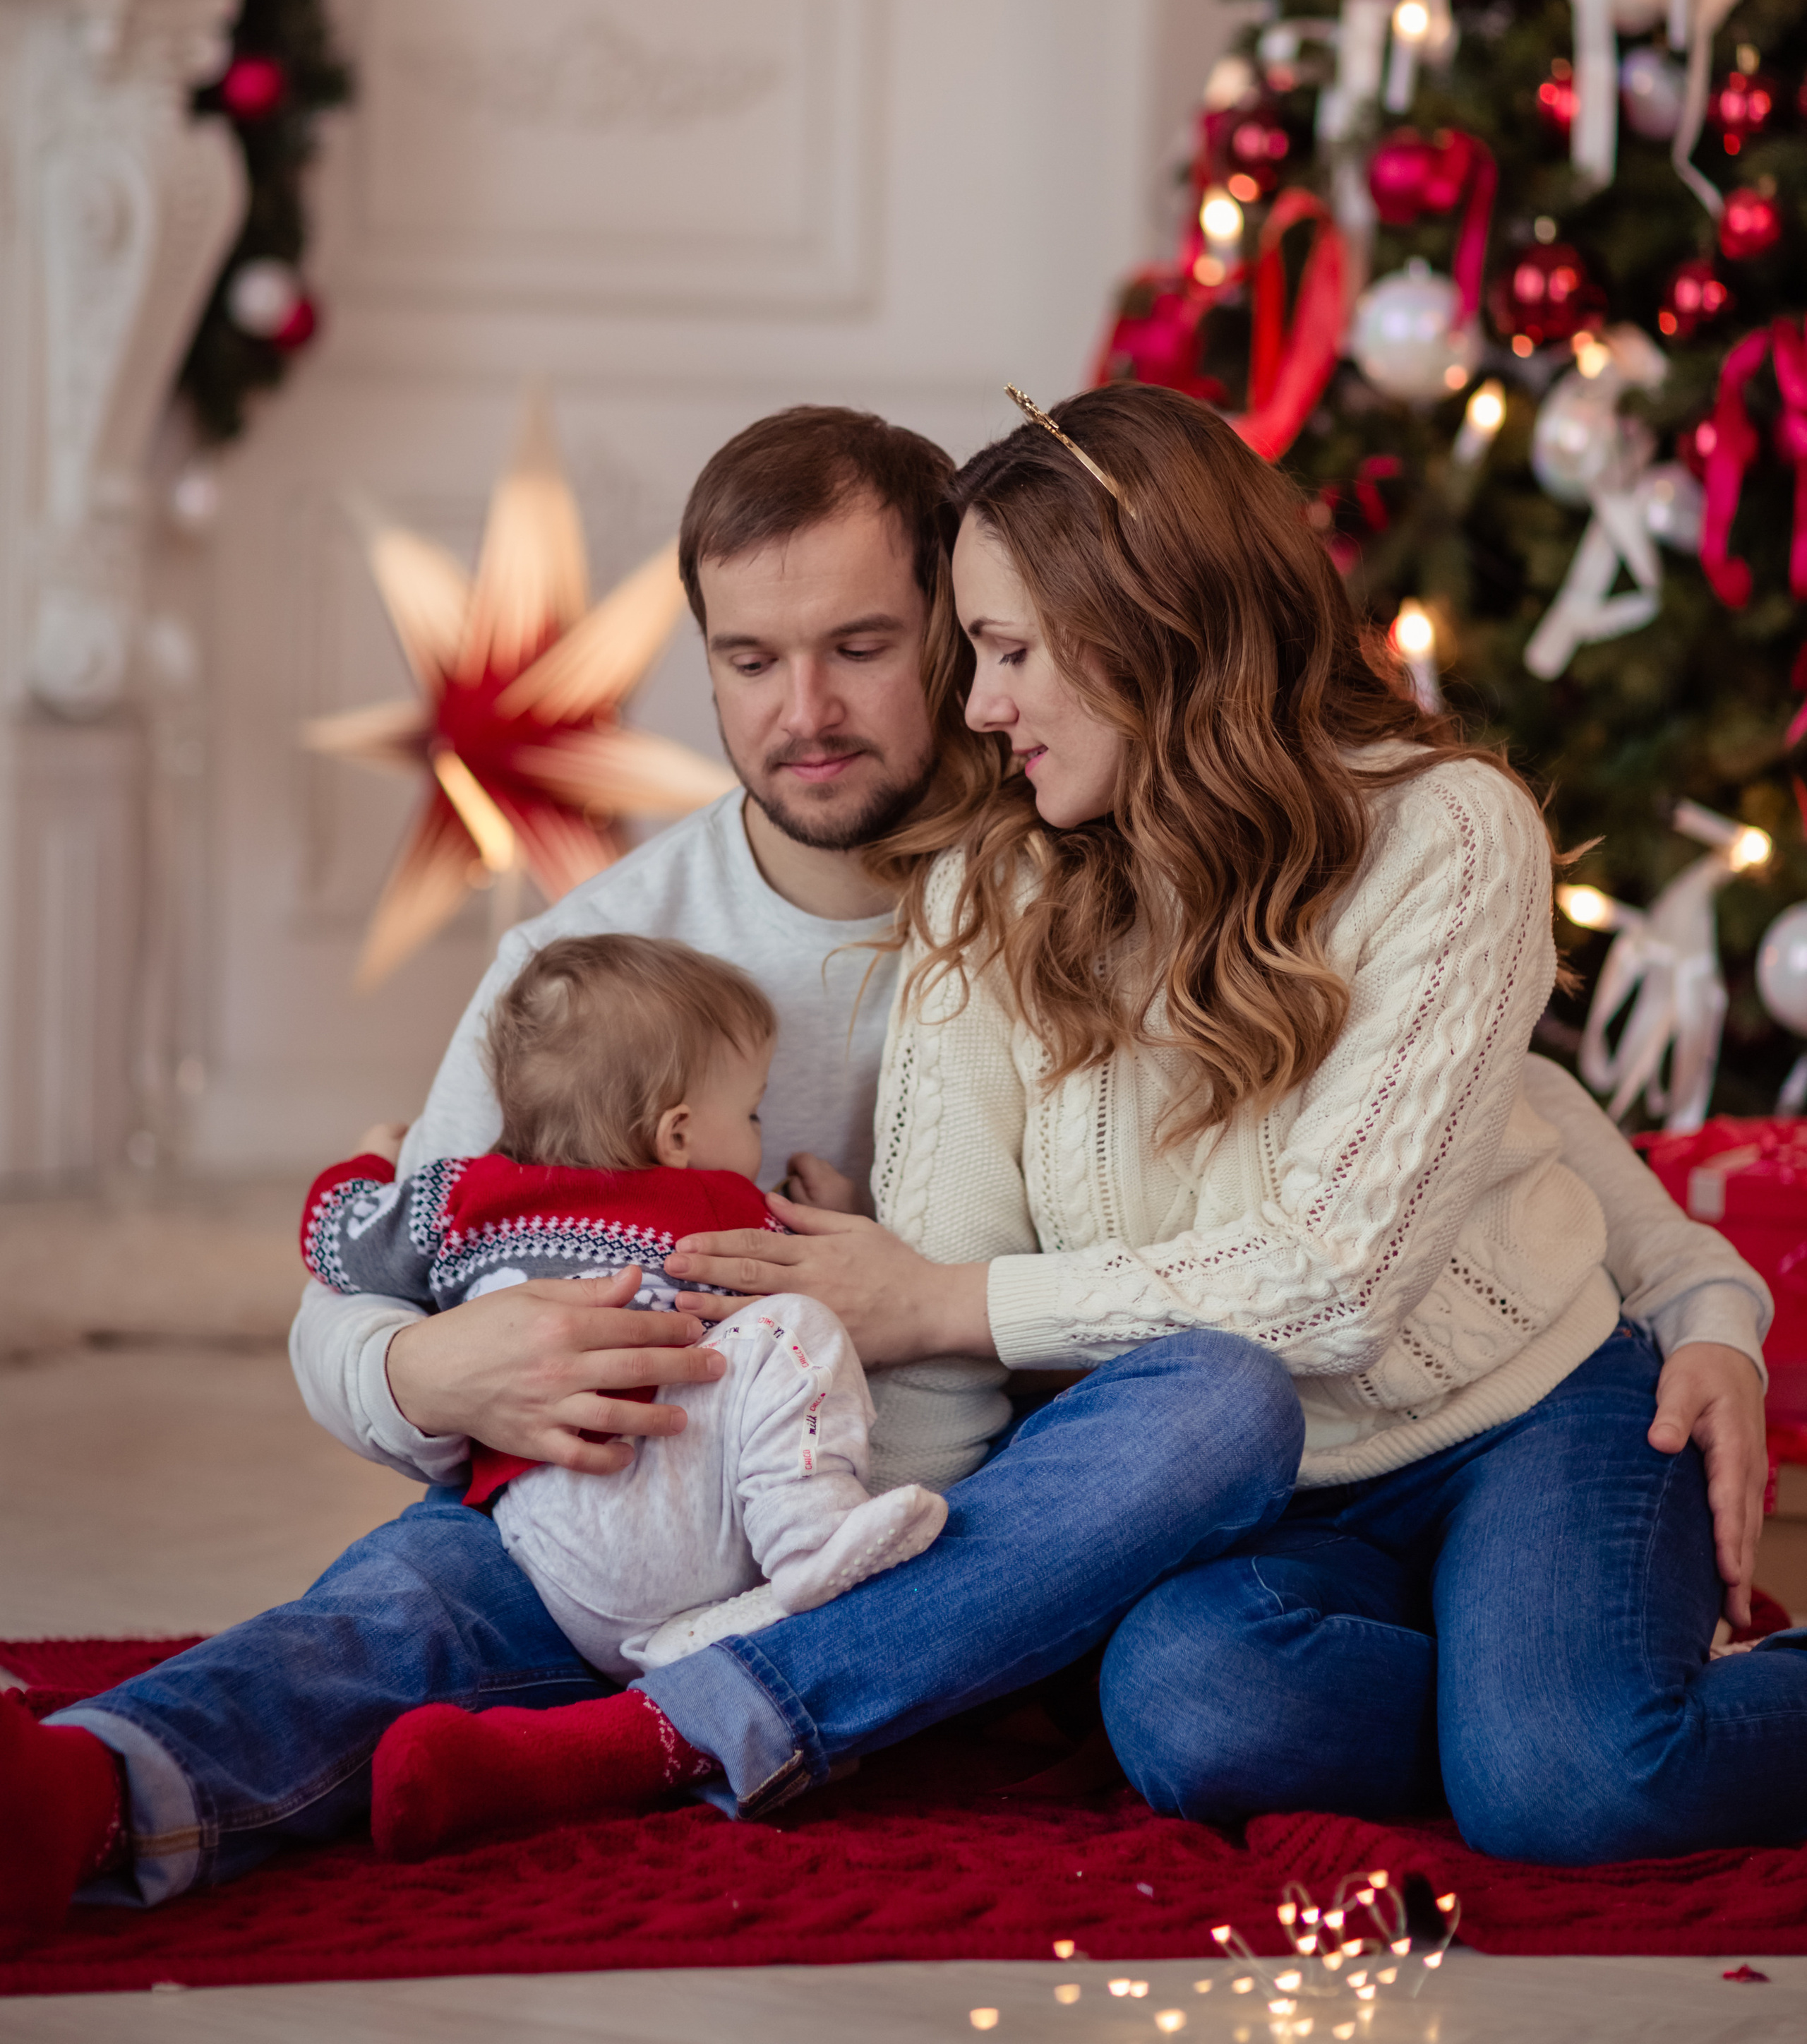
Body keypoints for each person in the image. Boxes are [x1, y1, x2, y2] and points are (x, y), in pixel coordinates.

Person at [0, 398, 1770, 1938]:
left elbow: (1478, 1116)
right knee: (440, 1590)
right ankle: (97, 1786)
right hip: (779, 1468)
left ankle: (739, 1710)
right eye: (748, 661)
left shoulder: (1183, 834)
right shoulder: (668, 944)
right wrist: (419, 1365)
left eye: (873, 643)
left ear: (997, 620)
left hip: (1273, 1438)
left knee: (1273, 1474)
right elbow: (389, 1256)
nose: (809, 710)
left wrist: (1701, 1292)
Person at [302, 936, 947, 1675]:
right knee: (799, 1328)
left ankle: (679, 1639)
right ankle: (807, 1539)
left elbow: (333, 1241)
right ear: (679, 1134)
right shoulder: (719, 1200)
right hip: (693, 1501)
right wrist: (837, 1208)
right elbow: (827, 1281)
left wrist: (372, 1162)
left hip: (548, 1550)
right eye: (753, 1114)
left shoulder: (458, 1197)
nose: (759, 1136)